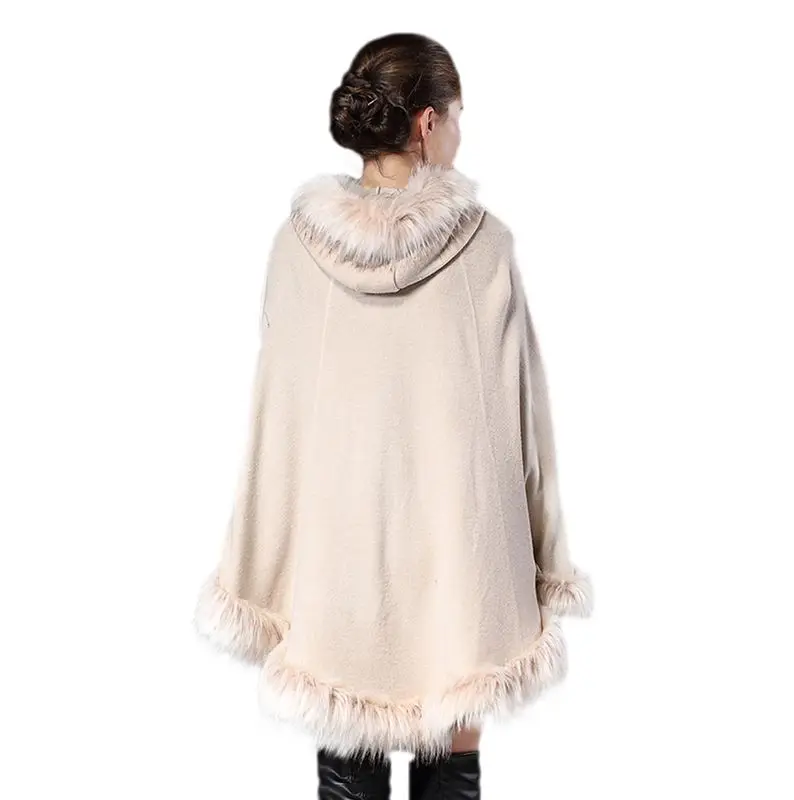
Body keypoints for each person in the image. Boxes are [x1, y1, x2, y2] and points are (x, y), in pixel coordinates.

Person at [193, 31, 593, 800]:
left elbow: (278, 423)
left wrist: (263, 567)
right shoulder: (484, 246)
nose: (461, 134)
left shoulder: (296, 248)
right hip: (459, 557)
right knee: (455, 744)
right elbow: (525, 419)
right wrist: (548, 563)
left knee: (346, 745)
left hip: (339, 559)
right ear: (425, 123)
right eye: (458, 115)